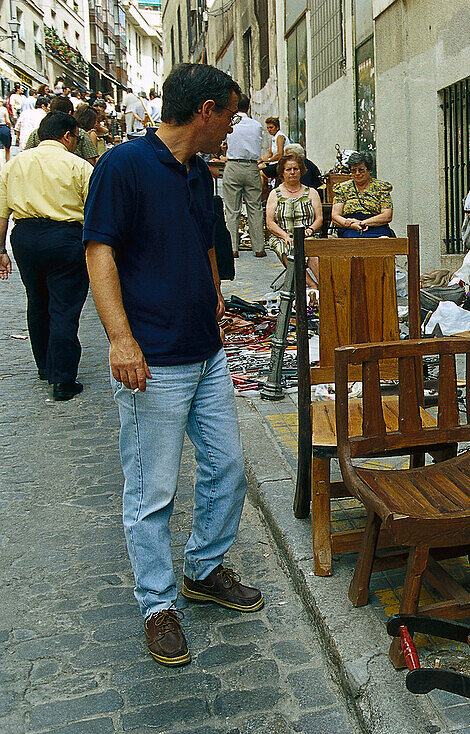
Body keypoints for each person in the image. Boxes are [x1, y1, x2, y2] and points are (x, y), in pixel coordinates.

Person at [84, 63, 263, 668]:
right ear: (206, 111)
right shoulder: (123, 167)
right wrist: (120, 341)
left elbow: (206, 242)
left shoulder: (197, 174)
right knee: (151, 489)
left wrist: (214, 298)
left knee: (228, 467)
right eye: (231, 118)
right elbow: (100, 252)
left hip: (205, 351)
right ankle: (157, 605)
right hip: (153, 359)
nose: (233, 130)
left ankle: (203, 568)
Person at [0, 112, 93, 400]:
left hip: (25, 238)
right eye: (76, 137)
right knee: (64, 306)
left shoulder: (13, 165)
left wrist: (1, 250)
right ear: (67, 135)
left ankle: (45, 365)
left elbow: (2, 213)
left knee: (38, 301)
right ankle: (63, 379)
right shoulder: (78, 166)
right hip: (65, 238)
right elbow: (93, 211)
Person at [220, 95, 267, 257]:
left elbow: (224, 144)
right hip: (252, 166)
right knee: (255, 207)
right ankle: (259, 247)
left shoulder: (230, 123)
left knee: (232, 209)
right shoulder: (256, 125)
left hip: (233, 165)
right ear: (248, 107)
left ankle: (233, 247)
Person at [264, 151, 322, 278]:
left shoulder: (311, 192)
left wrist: (310, 230)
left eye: (296, 169)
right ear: (282, 172)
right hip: (282, 236)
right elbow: (270, 223)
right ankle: (311, 285)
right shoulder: (275, 194)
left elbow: (319, 219)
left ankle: (324, 285)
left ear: (301, 171)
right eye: (288, 169)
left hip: (307, 235)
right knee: (286, 249)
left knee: (311, 250)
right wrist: (285, 236)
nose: (292, 172)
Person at [330, 150, 395, 238]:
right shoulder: (343, 188)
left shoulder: (381, 187)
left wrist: (363, 223)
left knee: (383, 241)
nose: (357, 173)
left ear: (369, 170)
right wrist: (349, 224)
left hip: (376, 226)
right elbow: (335, 215)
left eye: (361, 170)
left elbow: (387, 215)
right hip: (350, 228)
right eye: (353, 170)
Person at [25, 98, 98, 162]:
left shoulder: (36, 133)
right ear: (69, 113)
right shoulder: (79, 133)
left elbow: (27, 154)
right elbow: (91, 160)